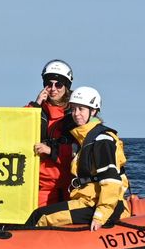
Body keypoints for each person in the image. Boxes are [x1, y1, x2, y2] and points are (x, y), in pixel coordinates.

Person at [29, 86, 129, 230]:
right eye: (74, 109)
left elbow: (111, 180)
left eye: (81, 109)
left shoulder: (102, 140)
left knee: (40, 216)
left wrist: (100, 215)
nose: (76, 114)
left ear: (93, 111)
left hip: (96, 205)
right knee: (41, 213)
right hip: (88, 200)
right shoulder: (84, 138)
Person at [28, 59, 76, 206]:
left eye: (58, 84)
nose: (53, 89)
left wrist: (51, 150)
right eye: (49, 84)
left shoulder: (76, 113)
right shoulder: (35, 110)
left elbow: (82, 149)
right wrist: (36, 105)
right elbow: (19, 127)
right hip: (40, 185)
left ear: (66, 86)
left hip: (69, 185)